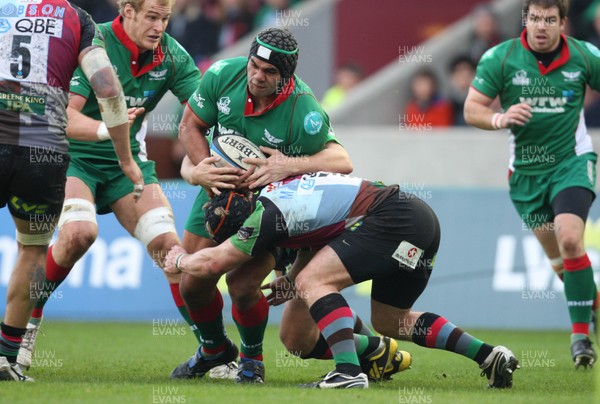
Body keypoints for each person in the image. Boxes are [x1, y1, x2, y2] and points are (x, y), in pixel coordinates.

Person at [163, 172, 520, 389]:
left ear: (244, 226)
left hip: (391, 217)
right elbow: (316, 236)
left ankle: (349, 372)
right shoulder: (277, 197)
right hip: (418, 220)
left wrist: (178, 259)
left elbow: (213, 265)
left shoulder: (262, 215)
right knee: (391, 320)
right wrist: (291, 276)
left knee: (315, 283)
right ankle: (489, 356)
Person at [15, 0, 203, 371]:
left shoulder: (172, 56)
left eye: (165, 18)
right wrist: (108, 126)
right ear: (127, 10)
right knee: (78, 235)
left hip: (127, 164)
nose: (159, 27)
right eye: (151, 16)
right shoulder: (92, 43)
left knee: (172, 253)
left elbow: (204, 109)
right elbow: (63, 116)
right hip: (73, 158)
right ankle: (23, 332)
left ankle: (213, 352)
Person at [174, 27, 353, 383]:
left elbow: (342, 160)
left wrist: (287, 165)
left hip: (273, 205)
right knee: (192, 281)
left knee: (241, 286)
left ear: (285, 76)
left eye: (269, 72)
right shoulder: (223, 75)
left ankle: (251, 360)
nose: (257, 76)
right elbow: (189, 126)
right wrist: (205, 171)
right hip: (218, 190)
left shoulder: (304, 109)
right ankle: (214, 350)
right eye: (254, 66)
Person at [0, 0, 143, 382]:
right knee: (31, 252)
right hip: (42, 151)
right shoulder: (77, 19)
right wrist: (125, 157)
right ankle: (5, 358)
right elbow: (108, 88)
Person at [464, 0, 599, 369]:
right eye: (535, 18)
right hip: (525, 176)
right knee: (557, 257)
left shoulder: (586, 57)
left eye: (550, 19)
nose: (541, 26)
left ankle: (580, 337)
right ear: (526, 19)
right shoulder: (501, 58)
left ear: (563, 23)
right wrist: (500, 118)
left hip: (572, 165)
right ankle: (594, 304)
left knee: (571, 239)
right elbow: (472, 108)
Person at [447, 56, 476, 126]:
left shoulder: (484, 102)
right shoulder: (444, 104)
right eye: (459, 73)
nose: (463, 78)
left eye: (467, 74)